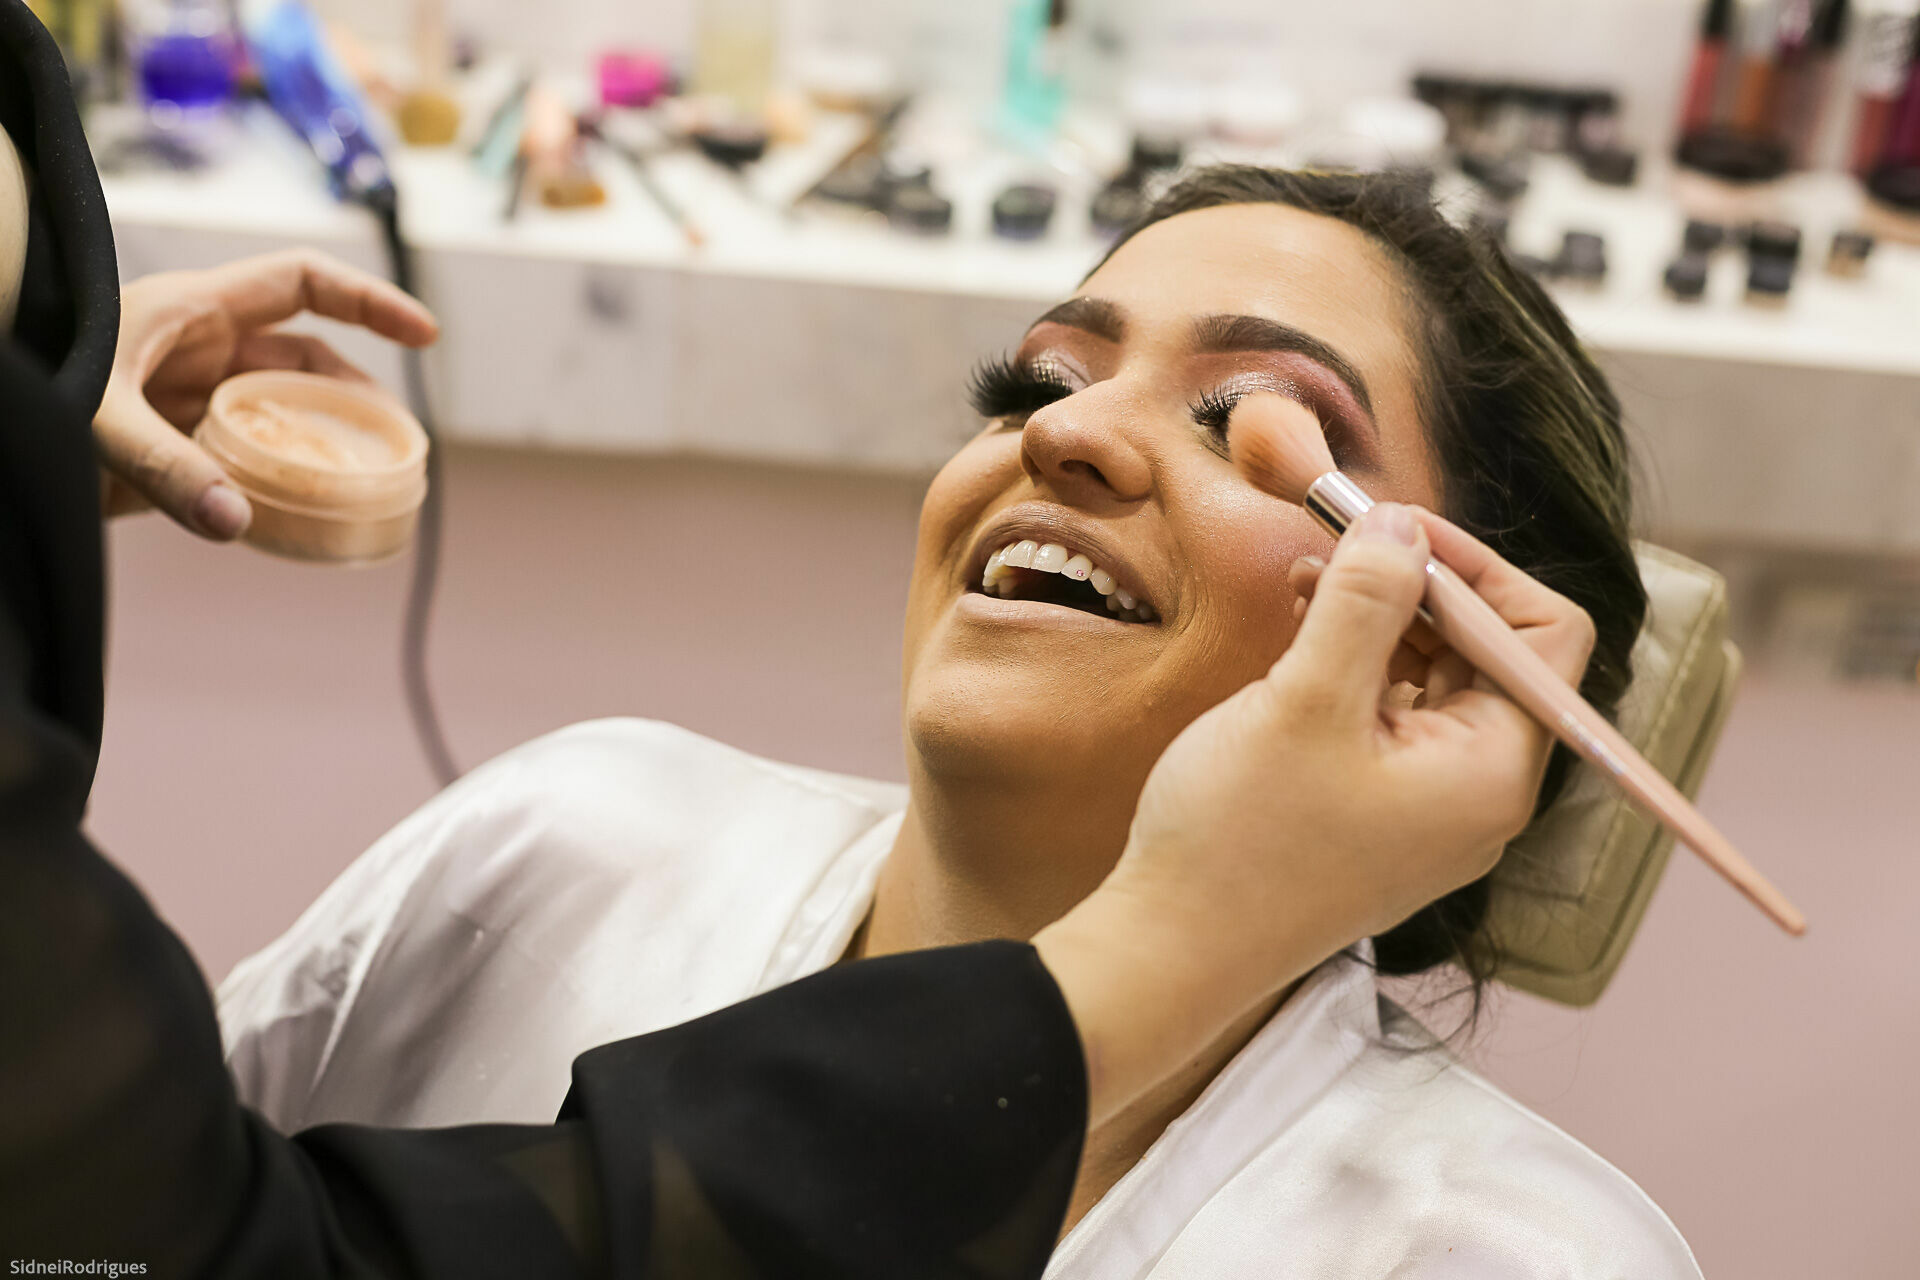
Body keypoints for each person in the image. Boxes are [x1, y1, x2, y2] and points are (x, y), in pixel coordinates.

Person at [2, 3, 1604, 1275]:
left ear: (1438, 660)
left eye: (1257, 420)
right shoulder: (562, 844)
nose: (1068, 438)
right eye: (1036, 382)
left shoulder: (1506, 1254)